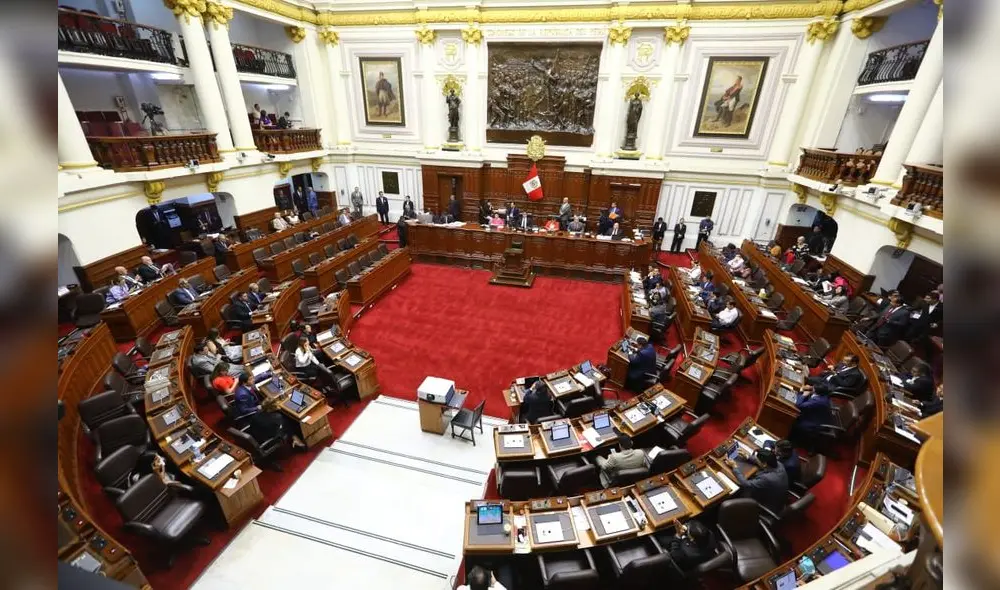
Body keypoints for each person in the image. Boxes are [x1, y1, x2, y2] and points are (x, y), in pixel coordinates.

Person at [228, 369, 305, 449]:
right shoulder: (242, 395)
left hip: (257, 424)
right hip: (261, 429)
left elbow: (258, 378)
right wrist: (257, 408)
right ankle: (294, 437)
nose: (253, 380)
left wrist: (271, 373)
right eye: (251, 379)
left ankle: (295, 437)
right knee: (285, 420)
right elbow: (243, 410)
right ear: (245, 382)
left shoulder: (245, 385)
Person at [728, 447, 788, 515]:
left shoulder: (767, 478)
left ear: (765, 464)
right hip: (776, 495)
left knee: (739, 490)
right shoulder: (779, 464)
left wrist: (734, 467)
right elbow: (762, 461)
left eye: (757, 459)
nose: (756, 460)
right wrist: (747, 457)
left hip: (767, 505)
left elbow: (746, 484)